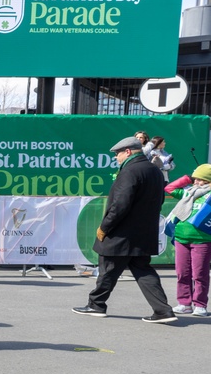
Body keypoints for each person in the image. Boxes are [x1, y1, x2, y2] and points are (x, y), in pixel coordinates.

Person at [72, 136, 177, 324]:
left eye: (117, 154)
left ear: (127, 151)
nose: (116, 158)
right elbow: (159, 200)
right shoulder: (154, 170)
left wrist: (104, 227)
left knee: (108, 268)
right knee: (143, 270)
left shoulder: (130, 171)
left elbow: (120, 204)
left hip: (121, 233)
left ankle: (96, 305)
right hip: (144, 233)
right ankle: (163, 310)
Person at [164, 165, 211, 316]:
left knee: (199, 274)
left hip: (202, 240)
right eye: (195, 179)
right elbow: (169, 188)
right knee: (182, 273)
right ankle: (184, 303)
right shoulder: (187, 193)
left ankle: (200, 305)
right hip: (181, 238)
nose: (196, 182)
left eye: (200, 179)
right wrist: (188, 179)